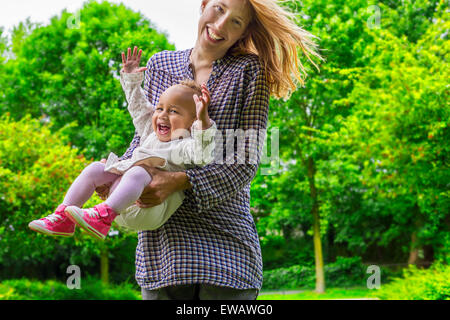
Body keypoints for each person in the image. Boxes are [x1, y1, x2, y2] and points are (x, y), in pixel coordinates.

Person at [102, 0, 323, 300]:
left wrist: (181, 181)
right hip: (161, 252)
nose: (220, 26)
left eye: (236, 22)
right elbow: (144, 140)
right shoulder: (159, 65)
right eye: (219, 9)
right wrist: (117, 178)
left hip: (225, 252)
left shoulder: (248, 71)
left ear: (245, 31)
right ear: (204, 4)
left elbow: (246, 161)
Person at [28, 47, 217, 240]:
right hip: (123, 200)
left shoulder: (184, 145)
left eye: (173, 111)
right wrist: (131, 80)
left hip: (149, 208)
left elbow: (203, 154)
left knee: (139, 171)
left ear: (192, 121)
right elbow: (138, 108)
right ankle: (63, 217)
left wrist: (203, 121)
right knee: (96, 168)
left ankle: (103, 216)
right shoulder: (150, 132)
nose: (162, 115)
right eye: (160, 108)